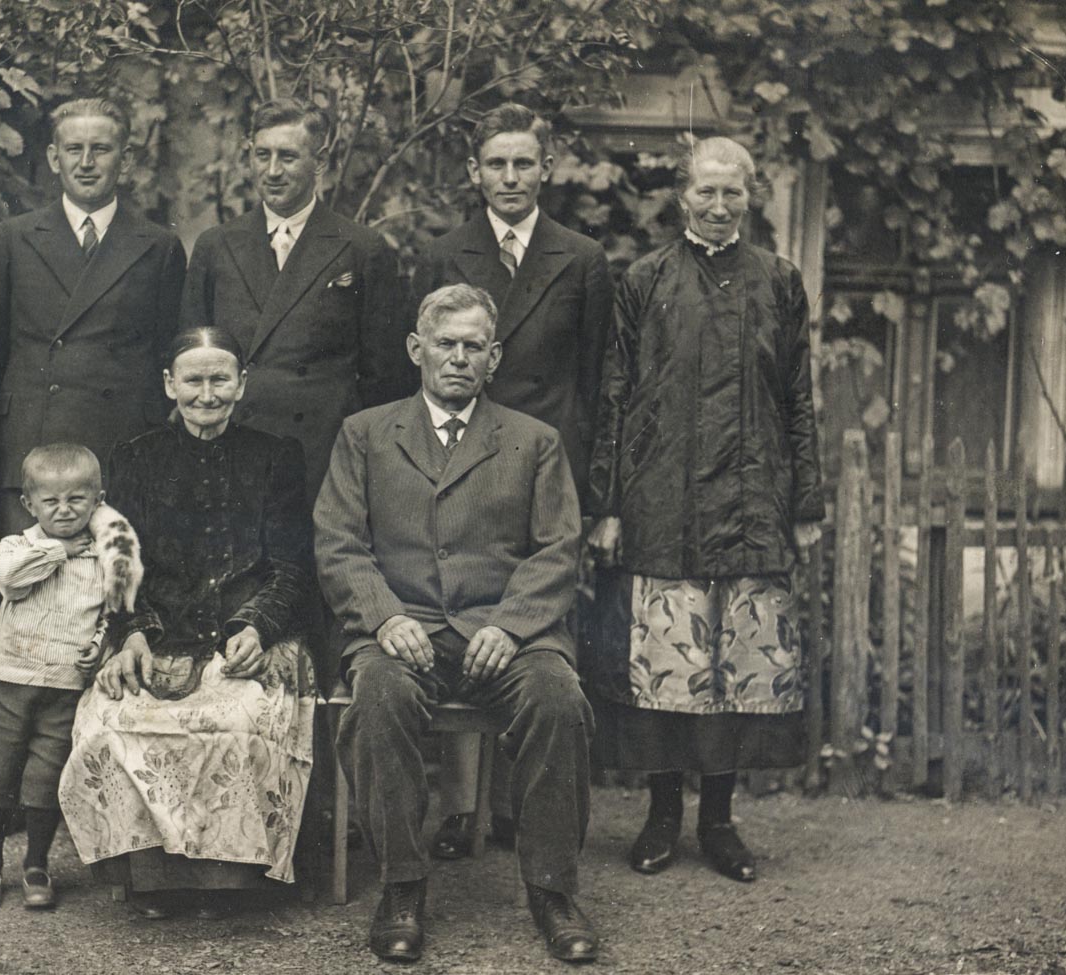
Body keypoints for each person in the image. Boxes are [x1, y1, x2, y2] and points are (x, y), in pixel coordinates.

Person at [314, 284, 598, 964]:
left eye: (474, 346)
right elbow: (338, 542)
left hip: (504, 632)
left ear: (494, 358)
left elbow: (559, 548)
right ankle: (402, 884)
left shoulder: (534, 441)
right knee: (379, 699)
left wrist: (511, 624)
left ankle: (552, 888)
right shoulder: (366, 433)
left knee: (558, 699)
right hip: (401, 628)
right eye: (446, 343)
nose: (459, 358)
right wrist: (382, 617)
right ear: (417, 349)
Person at [587, 136, 825, 883]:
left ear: (749, 198)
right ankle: (661, 817)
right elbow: (616, 397)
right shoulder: (646, 279)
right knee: (669, 661)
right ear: (682, 196)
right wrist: (607, 504)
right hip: (661, 498)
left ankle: (719, 821)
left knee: (734, 666)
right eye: (705, 192)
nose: (718, 206)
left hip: (754, 502)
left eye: (732, 193)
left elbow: (798, 398)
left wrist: (806, 501)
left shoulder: (780, 282)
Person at [58, 327, 315, 920]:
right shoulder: (134, 457)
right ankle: (151, 876)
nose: (207, 393)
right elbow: (119, 564)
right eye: (193, 380)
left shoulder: (276, 456)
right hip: (159, 629)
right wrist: (135, 633)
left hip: (245, 632)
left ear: (242, 384)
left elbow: (293, 567)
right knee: (111, 720)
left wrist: (258, 627)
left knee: (240, 719)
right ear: (170, 385)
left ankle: (227, 880)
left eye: (220, 378)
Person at [414, 102, 614, 861]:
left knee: (526, 628)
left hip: (543, 467)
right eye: (495, 164)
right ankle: (460, 808)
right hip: (461, 458)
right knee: (462, 603)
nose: (509, 177)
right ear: (474, 172)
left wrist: (596, 498)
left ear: (547, 168)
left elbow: (597, 383)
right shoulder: (444, 254)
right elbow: (434, 368)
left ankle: (514, 808)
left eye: (523, 163)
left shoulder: (581, 258)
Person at [180, 97, 409, 502]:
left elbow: (384, 378)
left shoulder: (361, 248)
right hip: (233, 449)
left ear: (319, 162)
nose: (272, 171)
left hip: (321, 457)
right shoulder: (216, 245)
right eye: (262, 155)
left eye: (287, 157)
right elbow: (192, 359)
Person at [0, 97, 187, 534]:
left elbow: (168, 354)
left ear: (125, 160)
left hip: (122, 448)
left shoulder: (157, 245)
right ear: (55, 158)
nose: (87, 162)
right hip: (34, 450)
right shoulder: (13, 239)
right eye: (74, 149)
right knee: (33, 591)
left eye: (102, 149)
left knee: (118, 590)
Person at [0, 444, 140, 912]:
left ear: (97, 500)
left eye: (77, 501)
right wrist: (58, 550)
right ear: (29, 505)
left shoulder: (104, 555)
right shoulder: (18, 546)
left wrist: (100, 646)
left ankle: (36, 863)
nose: (65, 511)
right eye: (51, 502)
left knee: (45, 776)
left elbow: (113, 610)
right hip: (11, 676)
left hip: (66, 683)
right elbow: (10, 578)